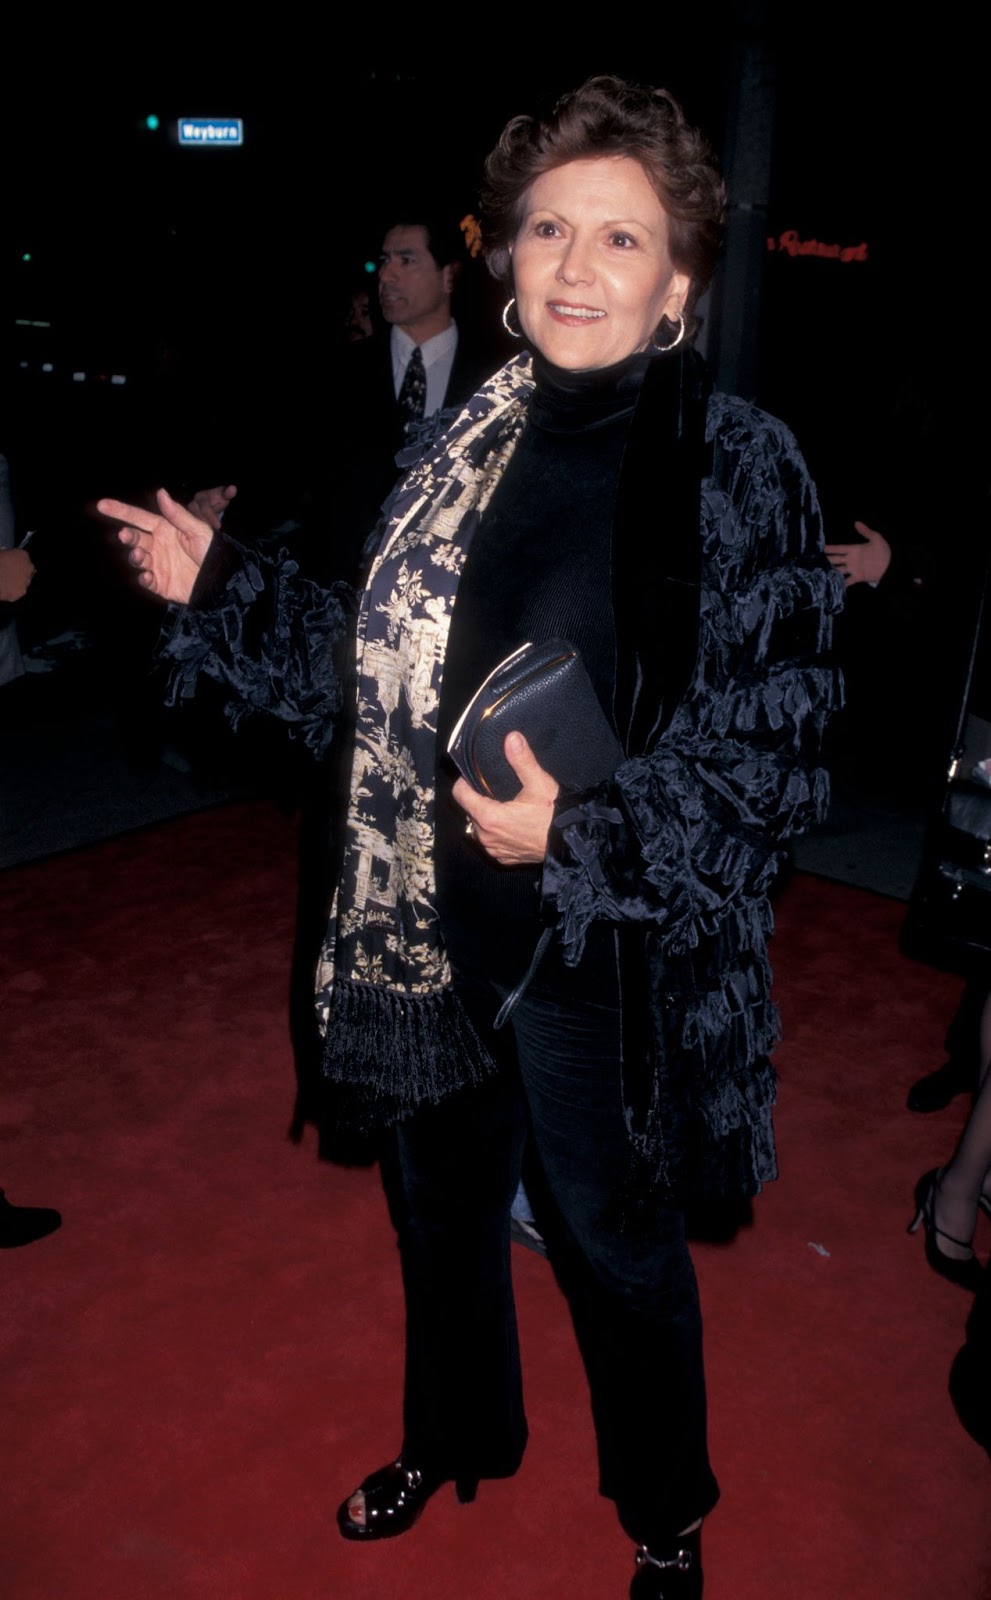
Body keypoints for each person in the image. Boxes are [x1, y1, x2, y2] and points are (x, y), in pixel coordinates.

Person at [97, 76, 842, 1600]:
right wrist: (222, 586)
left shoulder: (732, 463)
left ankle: (665, 1514)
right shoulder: (459, 447)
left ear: (679, 281)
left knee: (615, 1256)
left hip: (597, 951)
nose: (573, 265)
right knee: (439, 1220)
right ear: (505, 257)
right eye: (548, 229)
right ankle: (457, 1435)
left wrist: (583, 832)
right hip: (423, 921)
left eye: (618, 238)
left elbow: (773, 761)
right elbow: (373, 678)